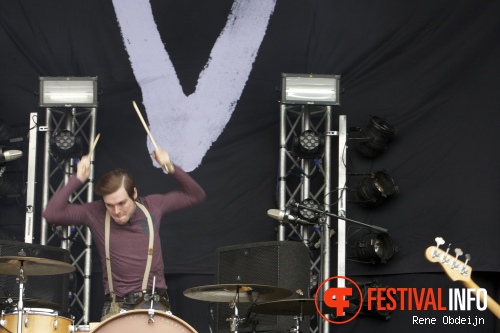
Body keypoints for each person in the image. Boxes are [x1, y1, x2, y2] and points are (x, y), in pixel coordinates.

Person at [42, 147, 206, 320]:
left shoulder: (153, 206)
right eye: (109, 205)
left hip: (153, 302)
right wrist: (77, 179)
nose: (117, 211)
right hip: (115, 305)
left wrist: (170, 167)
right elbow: (51, 213)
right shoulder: (94, 213)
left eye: (121, 203)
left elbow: (195, 195)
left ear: (134, 193)